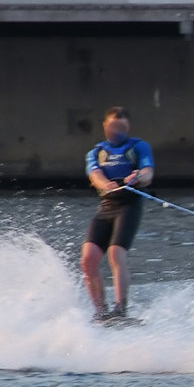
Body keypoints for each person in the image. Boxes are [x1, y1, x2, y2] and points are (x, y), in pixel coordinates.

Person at [80, 107, 154, 321]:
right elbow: (94, 175)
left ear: (128, 127)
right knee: (88, 259)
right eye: (113, 126)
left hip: (129, 205)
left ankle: (120, 310)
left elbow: (148, 172)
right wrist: (106, 184)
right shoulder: (96, 152)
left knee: (115, 254)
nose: (116, 131)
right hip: (106, 206)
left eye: (121, 127)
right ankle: (101, 313)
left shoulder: (138, 147)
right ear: (105, 126)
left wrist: (138, 175)